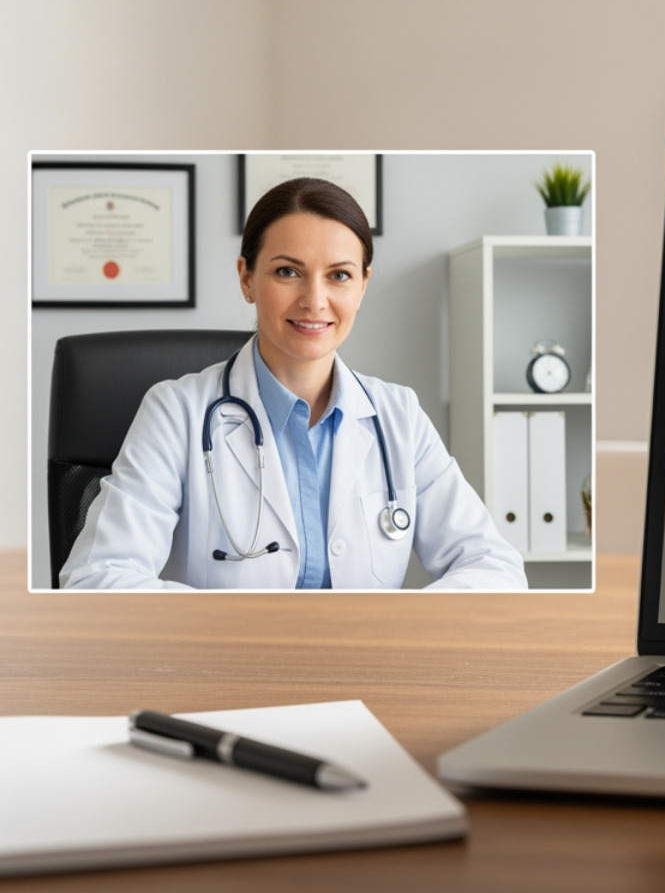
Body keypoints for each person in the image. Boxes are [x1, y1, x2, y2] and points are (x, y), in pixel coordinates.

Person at [60, 178, 527, 590]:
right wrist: (241, 632)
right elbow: (97, 577)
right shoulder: (176, 412)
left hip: (369, 657)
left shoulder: (397, 416)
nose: (314, 300)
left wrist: (400, 629)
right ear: (246, 278)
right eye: (288, 272)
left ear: (362, 285)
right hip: (228, 658)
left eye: (339, 275)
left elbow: (493, 565)